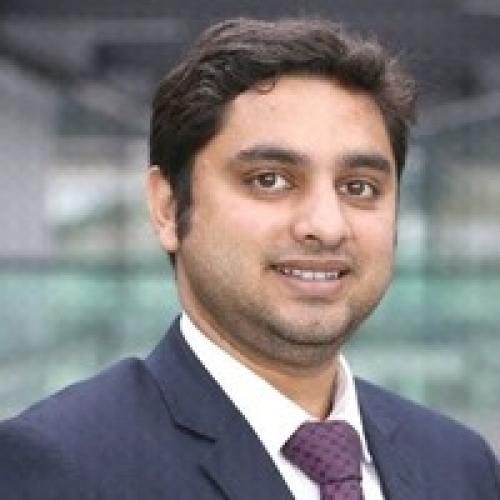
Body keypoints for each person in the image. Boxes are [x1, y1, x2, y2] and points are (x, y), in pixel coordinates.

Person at [0, 17, 499, 500]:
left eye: (359, 187)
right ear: (168, 208)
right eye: (270, 180)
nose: (326, 226)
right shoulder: (60, 467)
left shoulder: (460, 464)